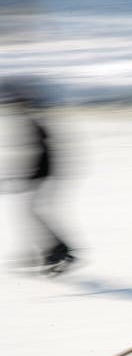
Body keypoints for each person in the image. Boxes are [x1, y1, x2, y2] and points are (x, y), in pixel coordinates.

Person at [4, 83, 75, 273]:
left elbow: (41, 152)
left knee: (34, 212)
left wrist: (30, 177)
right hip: (45, 174)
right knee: (32, 212)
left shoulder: (32, 123)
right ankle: (49, 251)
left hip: (45, 174)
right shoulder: (34, 121)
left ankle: (59, 250)